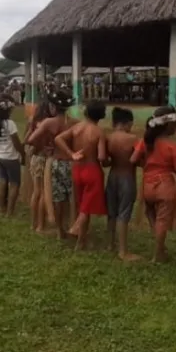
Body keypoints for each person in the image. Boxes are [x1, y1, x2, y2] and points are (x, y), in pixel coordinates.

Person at [131, 106, 176, 262]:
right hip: (166, 185)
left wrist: (147, 165)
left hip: (147, 185)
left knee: (152, 216)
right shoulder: (174, 148)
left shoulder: (144, 142)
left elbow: (133, 160)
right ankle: (158, 254)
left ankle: (160, 247)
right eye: (175, 123)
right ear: (168, 126)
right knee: (162, 220)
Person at [55, 100, 108, 251]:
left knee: (82, 206)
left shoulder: (76, 127)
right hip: (92, 170)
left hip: (77, 169)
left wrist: (71, 154)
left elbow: (58, 139)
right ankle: (76, 228)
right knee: (86, 208)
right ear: (101, 115)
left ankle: (81, 242)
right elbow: (102, 157)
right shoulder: (98, 132)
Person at [26, 91, 76, 238]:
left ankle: (60, 230)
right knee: (70, 198)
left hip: (54, 163)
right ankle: (70, 226)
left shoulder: (50, 122)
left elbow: (31, 139)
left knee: (57, 198)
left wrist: (45, 146)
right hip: (70, 163)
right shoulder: (73, 122)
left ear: (53, 107)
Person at [104, 107, 142, 261]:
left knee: (111, 213)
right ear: (128, 123)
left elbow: (105, 161)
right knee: (124, 213)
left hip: (113, 176)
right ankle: (123, 251)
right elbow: (139, 161)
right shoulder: (133, 139)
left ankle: (110, 244)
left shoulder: (108, 138)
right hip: (127, 177)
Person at [0, 94, 27, 217]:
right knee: (14, 184)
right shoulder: (9, 124)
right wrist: (23, 154)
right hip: (11, 158)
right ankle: (10, 212)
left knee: (2, 182)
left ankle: (2, 209)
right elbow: (16, 142)